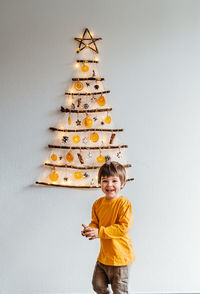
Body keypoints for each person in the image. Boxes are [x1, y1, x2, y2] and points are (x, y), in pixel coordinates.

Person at [81, 161, 136, 294]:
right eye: (105, 180)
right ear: (100, 182)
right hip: (104, 258)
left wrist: (99, 232)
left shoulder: (124, 204)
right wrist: (90, 229)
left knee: (119, 291)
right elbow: (95, 222)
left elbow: (123, 227)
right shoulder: (98, 204)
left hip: (120, 258)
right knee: (97, 285)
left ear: (122, 183)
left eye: (114, 181)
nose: (109, 185)